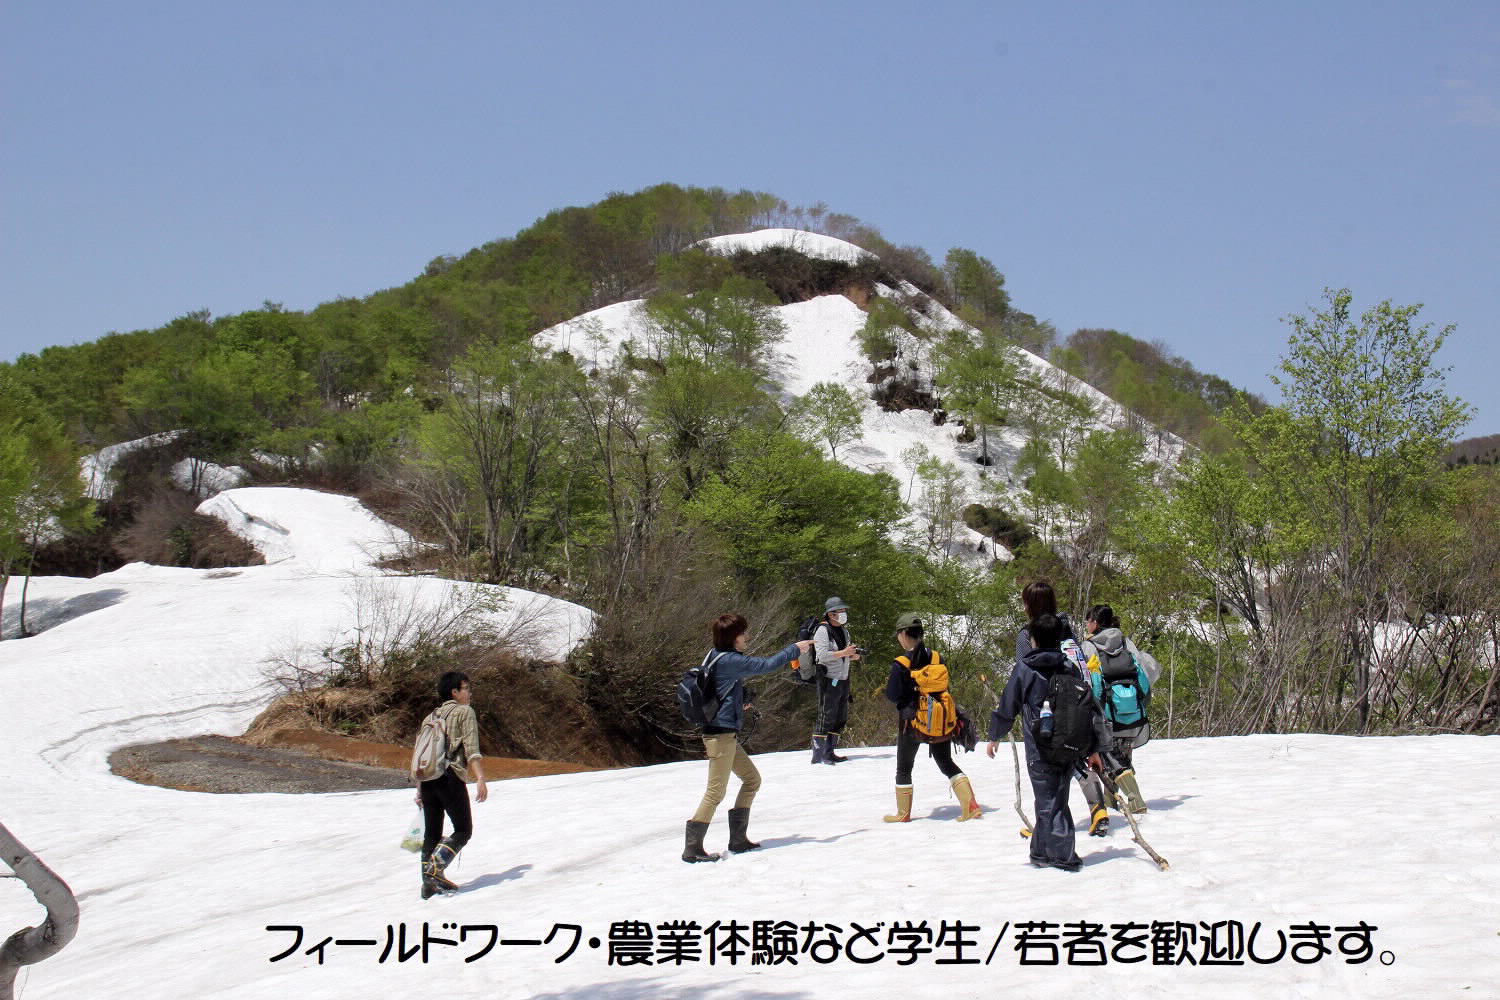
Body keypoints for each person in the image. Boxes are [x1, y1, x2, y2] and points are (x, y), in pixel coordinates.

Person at [985, 613, 1112, 871]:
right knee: (1054, 797)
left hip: (1039, 746)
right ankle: (1041, 852)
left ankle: (1063, 856)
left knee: (1048, 800)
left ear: (1033, 639)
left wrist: (995, 734)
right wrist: (1093, 749)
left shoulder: (1025, 669)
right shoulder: (1069, 667)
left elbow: (1008, 706)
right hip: (1068, 743)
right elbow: (1086, 710)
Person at [684, 614, 815, 863]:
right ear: (734, 637)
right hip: (720, 737)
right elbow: (766, 665)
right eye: (743, 633)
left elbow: (722, 688)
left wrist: (739, 701)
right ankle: (692, 849)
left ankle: (738, 840)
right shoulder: (730, 660)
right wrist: (794, 649)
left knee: (752, 780)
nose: (747, 637)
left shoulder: (715, 655)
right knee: (715, 792)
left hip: (724, 735)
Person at [1016, 579, 1112, 837]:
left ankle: (1046, 827)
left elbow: (1024, 671)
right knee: (1074, 755)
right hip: (1075, 703)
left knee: (1044, 768)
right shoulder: (1066, 629)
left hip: (1044, 711)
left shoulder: (1027, 634)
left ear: (1030, 604)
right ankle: (1097, 808)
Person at [881, 612, 982, 823]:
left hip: (911, 722)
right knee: (945, 762)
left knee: (904, 767)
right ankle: (971, 806)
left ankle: (903, 814)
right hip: (940, 720)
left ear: (904, 634)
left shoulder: (901, 663)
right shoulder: (937, 657)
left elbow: (893, 694)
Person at [1079, 604, 1159, 814]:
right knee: (1122, 756)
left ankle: (1135, 800)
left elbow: (1088, 679)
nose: (1086, 625)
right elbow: (1142, 671)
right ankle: (1112, 804)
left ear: (1095, 623)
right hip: (1131, 711)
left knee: (1111, 759)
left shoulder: (1089, 646)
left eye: (1088, 621)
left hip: (1106, 712)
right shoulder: (1125, 641)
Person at [417, 670, 488, 899]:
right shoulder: (464, 712)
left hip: (428, 780)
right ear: (454, 692)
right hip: (450, 776)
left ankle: (428, 885)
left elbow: (420, 754)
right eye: (466, 688)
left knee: (432, 834)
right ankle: (435, 869)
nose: (469, 693)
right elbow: (471, 748)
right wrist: (480, 778)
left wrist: (419, 789)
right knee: (463, 830)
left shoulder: (430, 717)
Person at [810, 596, 862, 765]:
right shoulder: (822, 630)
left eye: (844, 610)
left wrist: (852, 655)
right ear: (831, 614)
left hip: (843, 678)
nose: (843, 613)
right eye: (840, 611)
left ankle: (830, 752)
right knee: (826, 716)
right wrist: (844, 653)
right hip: (828, 679)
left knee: (840, 717)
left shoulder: (845, 631)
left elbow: (842, 654)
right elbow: (822, 655)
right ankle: (819, 756)